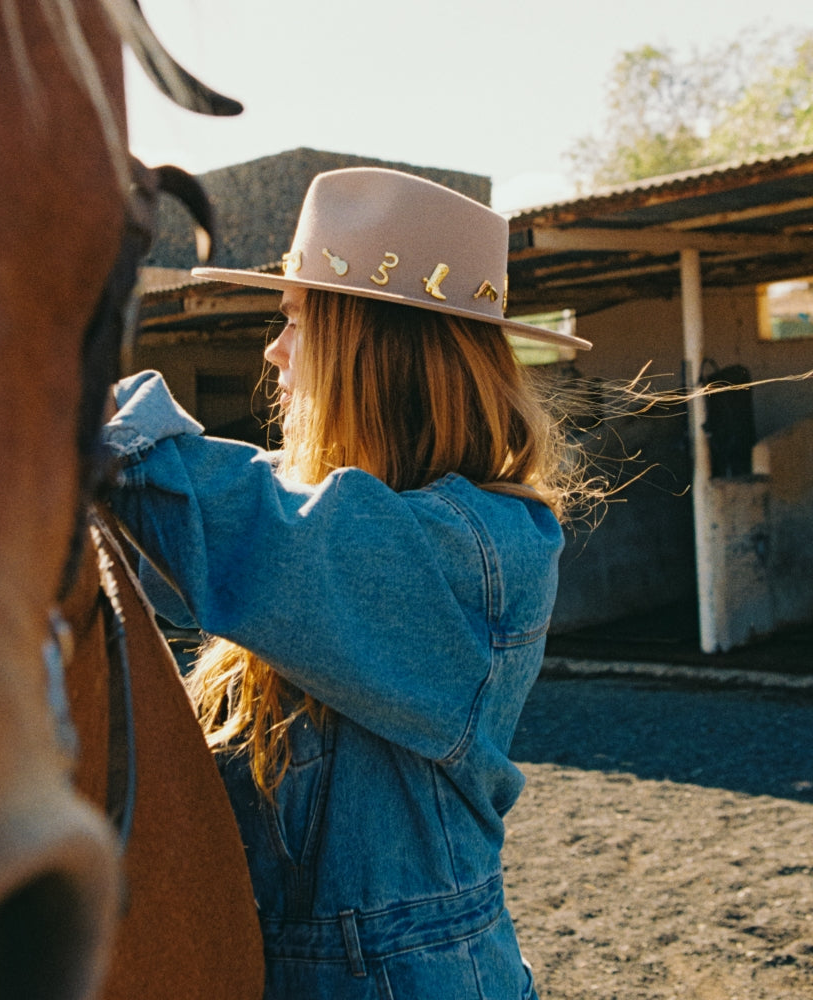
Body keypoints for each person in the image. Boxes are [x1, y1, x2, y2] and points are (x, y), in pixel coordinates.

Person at [102, 167, 592, 999]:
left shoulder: (487, 553)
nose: (272, 351)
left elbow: (264, 535)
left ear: (373, 348)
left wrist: (83, 411)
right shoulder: (333, 524)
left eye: (294, 322)